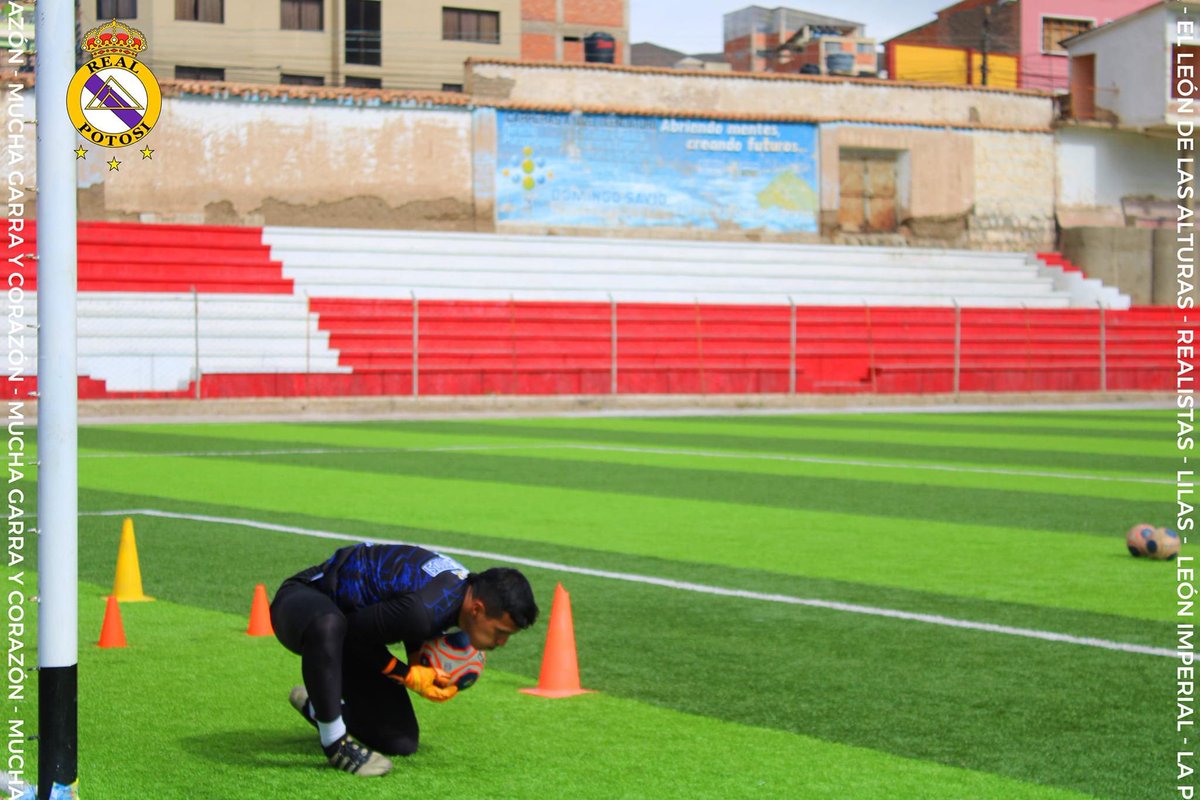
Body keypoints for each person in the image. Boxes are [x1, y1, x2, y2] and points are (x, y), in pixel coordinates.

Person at [270, 541, 539, 777]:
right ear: (478, 609)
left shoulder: (463, 589)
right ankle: (335, 743)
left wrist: (419, 663)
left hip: (350, 634)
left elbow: (404, 614)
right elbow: (352, 635)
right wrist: (407, 675)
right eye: (501, 632)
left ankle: (319, 707)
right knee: (330, 625)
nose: (502, 643)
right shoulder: (425, 610)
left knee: (400, 741)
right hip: (301, 602)